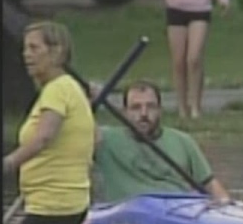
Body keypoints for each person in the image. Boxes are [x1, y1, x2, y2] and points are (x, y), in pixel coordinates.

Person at [3, 20, 96, 224]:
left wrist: (8, 163)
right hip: (70, 204)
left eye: (34, 48)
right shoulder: (70, 90)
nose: (26, 55)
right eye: (24, 49)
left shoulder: (58, 90)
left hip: (49, 208)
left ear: (56, 52)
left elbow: (44, 137)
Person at [91, 79, 231, 204]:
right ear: (124, 112)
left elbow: (211, 185)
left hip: (177, 215)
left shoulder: (183, 141)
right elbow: (73, 126)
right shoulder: (105, 141)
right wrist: (86, 100)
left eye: (150, 106)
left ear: (160, 110)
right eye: (136, 108)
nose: (144, 114)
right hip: (129, 219)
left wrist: (227, 208)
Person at [154, 0, 231, 123]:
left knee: (194, 58)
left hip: (201, 7)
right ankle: (182, 108)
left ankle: (195, 106)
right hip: (176, 6)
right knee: (178, 61)